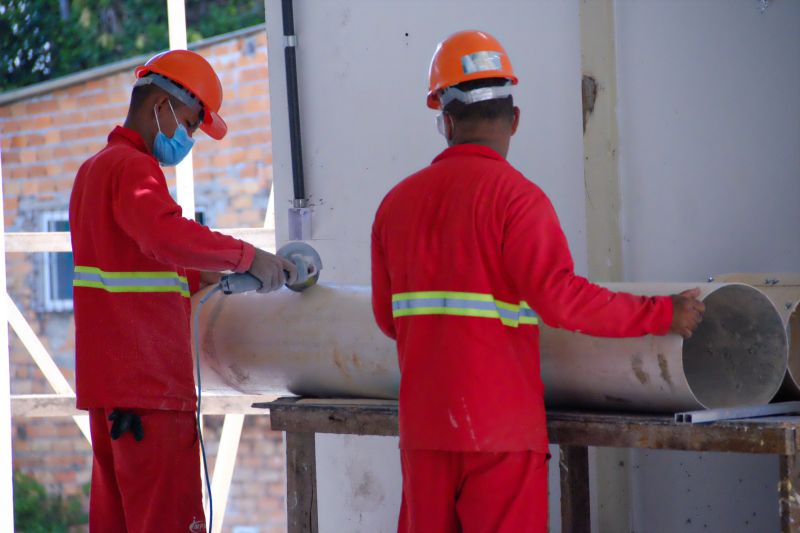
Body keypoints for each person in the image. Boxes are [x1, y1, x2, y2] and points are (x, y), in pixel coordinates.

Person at [370, 30, 705, 533]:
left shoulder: (395, 205)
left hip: (425, 432)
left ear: (446, 120)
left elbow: (387, 321)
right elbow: (563, 301)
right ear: (515, 120)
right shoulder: (518, 201)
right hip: (501, 433)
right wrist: (662, 312)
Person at [69, 49, 296, 532]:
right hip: (148, 387)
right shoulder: (133, 169)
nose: (187, 138)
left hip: (113, 390)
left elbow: (130, 259)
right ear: (160, 106)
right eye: (190, 124)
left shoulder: (93, 171)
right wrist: (247, 256)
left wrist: (202, 276)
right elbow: (163, 235)